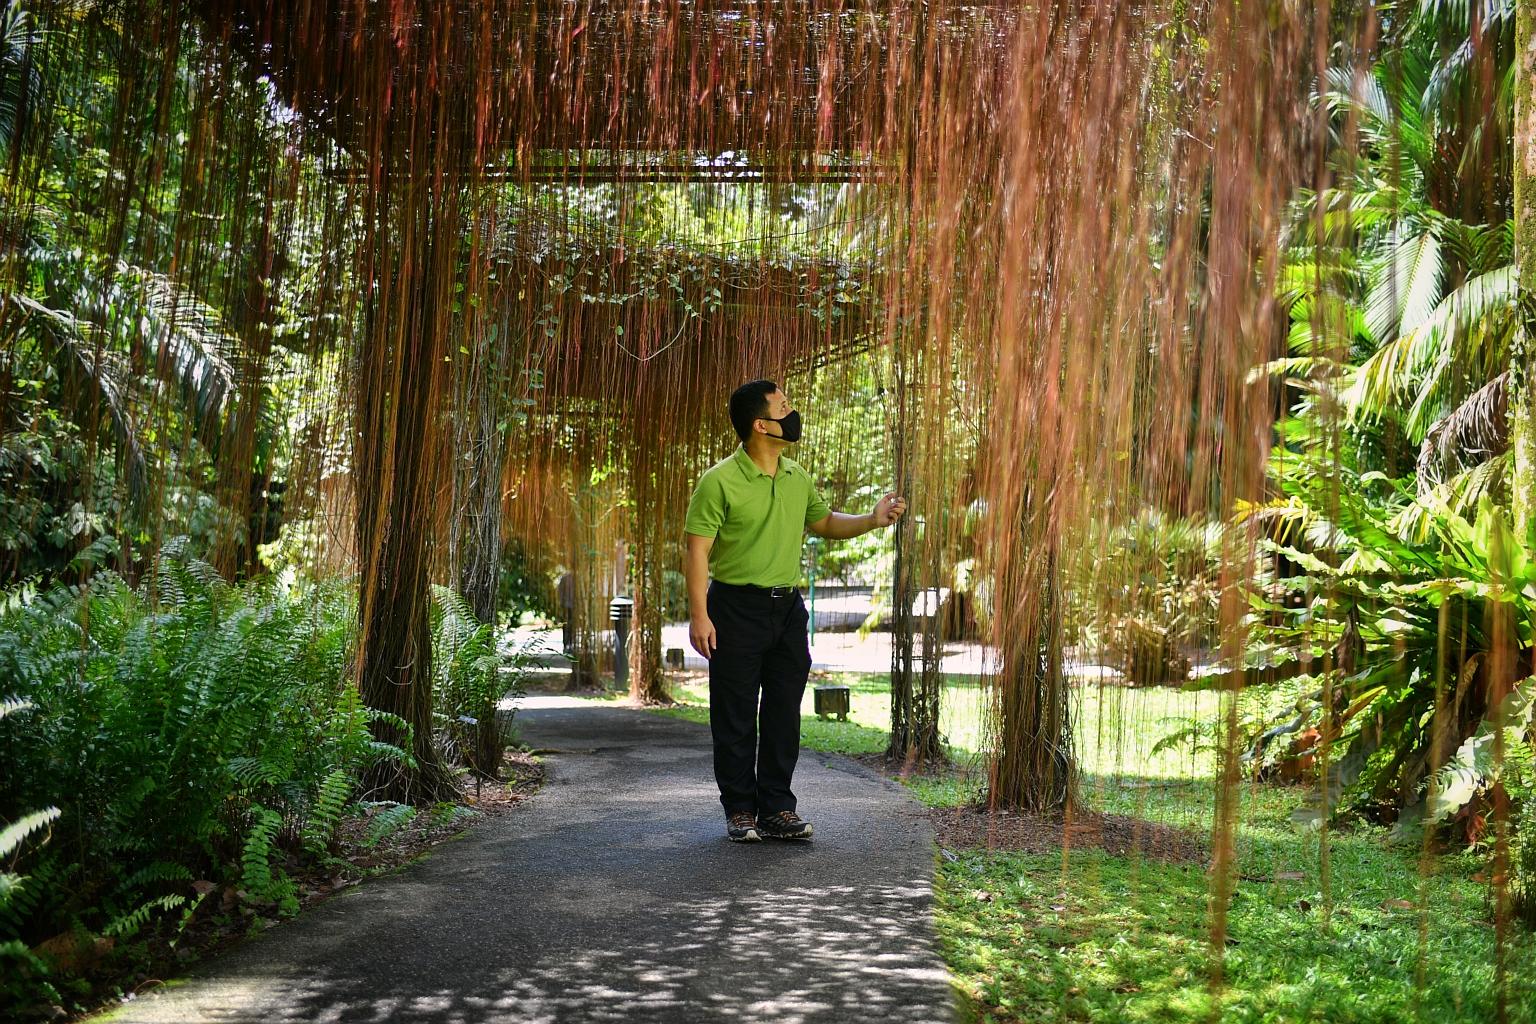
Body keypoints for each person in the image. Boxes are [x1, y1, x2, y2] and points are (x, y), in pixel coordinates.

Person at [683, 379, 906, 842]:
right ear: (761, 424)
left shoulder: (796, 475)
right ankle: (740, 810)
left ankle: (778, 809)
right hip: (734, 608)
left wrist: (870, 518)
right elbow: (698, 550)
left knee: (784, 712)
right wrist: (700, 615)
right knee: (735, 714)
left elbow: (823, 522)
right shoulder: (718, 480)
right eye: (784, 407)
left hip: (787, 611)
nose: (792, 413)